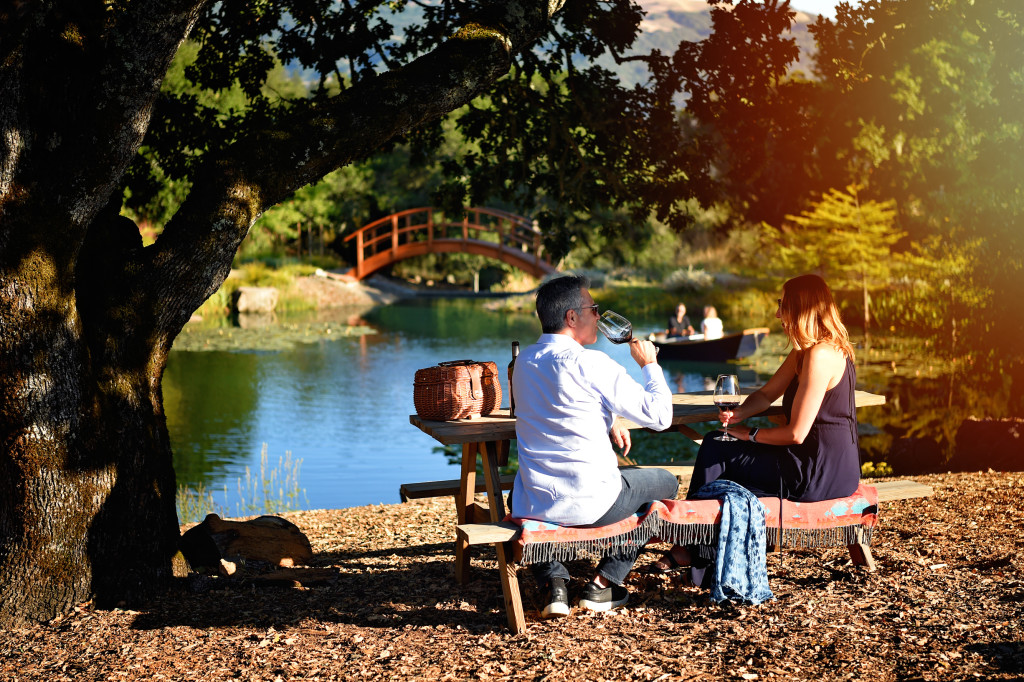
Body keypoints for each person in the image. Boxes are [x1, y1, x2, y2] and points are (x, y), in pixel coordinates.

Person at [651, 274, 861, 581]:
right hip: (832, 465)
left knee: (714, 447)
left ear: (801, 308)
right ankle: (699, 550)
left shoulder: (820, 355)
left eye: (782, 305)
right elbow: (765, 394)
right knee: (719, 445)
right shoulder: (810, 350)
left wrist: (747, 434)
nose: (778, 314)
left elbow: (796, 434)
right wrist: (737, 415)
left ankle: (693, 548)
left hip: (816, 472)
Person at [510, 274, 679, 618]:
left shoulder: (522, 364)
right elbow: (661, 417)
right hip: (594, 503)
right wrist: (650, 365)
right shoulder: (592, 363)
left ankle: (554, 585)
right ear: (572, 318)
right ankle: (604, 583)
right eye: (594, 309)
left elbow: (562, 407)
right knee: (667, 484)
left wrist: (610, 417)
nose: (599, 317)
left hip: (537, 501)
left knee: (519, 492)